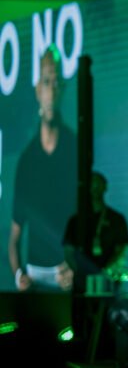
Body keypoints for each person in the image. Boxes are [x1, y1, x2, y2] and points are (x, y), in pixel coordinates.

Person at [8, 45, 77, 292]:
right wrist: (19, 276)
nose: (52, 89)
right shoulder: (27, 160)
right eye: (47, 82)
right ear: (38, 89)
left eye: (56, 82)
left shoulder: (75, 150)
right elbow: (14, 237)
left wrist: (74, 267)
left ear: (63, 90)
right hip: (34, 277)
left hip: (67, 275)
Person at [63, 171, 128, 293]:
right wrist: (80, 271)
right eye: (92, 184)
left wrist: (105, 271)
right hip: (81, 282)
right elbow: (68, 251)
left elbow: (122, 248)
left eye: (98, 184)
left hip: (109, 280)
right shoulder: (75, 220)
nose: (95, 188)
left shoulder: (117, 219)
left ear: (105, 187)